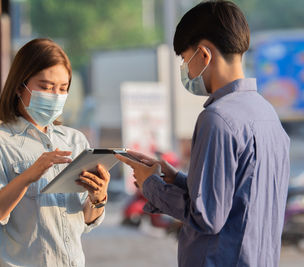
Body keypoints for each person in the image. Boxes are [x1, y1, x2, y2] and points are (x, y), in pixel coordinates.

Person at [116, 1, 290, 266]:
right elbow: (238, 199)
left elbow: (206, 216)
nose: (186, 70)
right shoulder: (266, 114)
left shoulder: (217, 118)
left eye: (186, 60)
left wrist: (151, 185)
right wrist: (176, 179)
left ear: (204, 55)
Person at [0, 38, 110, 267]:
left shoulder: (75, 141)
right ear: (18, 86)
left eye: (63, 88)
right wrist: (26, 178)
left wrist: (98, 198)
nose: (55, 95)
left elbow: (82, 222)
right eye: (45, 87)